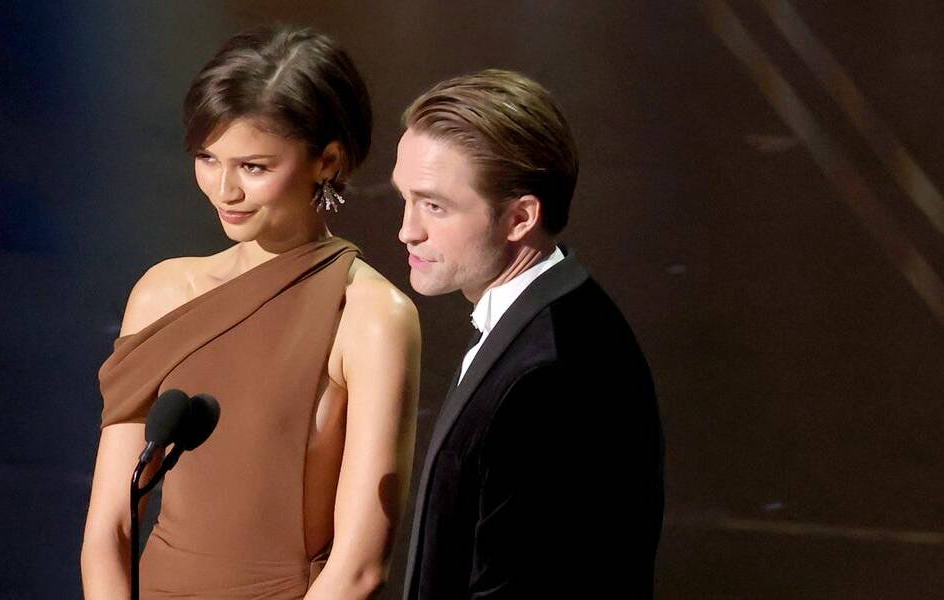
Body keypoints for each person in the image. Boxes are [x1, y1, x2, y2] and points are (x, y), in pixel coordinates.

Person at [81, 26, 421, 600]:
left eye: (254, 167)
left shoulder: (369, 316)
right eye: (207, 158)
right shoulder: (164, 292)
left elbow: (360, 568)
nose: (224, 190)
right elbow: (109, 528)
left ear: (327, 160)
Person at [392, 69, 664, 598]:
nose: (407, 230)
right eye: (405, 198)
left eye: (434, 206)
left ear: (520, 217)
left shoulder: (550, 375)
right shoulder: (558, 319)